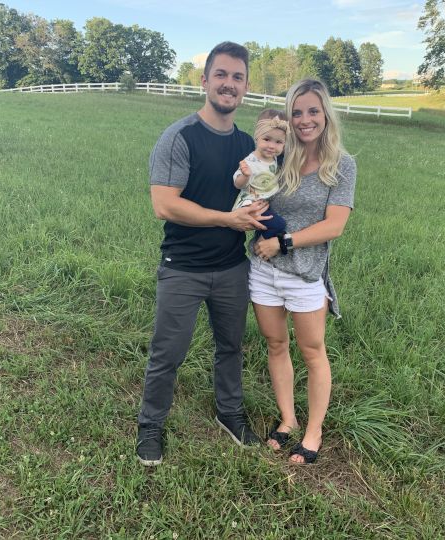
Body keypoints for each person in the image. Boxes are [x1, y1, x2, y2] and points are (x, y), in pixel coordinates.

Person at [136, 42, 270, 466]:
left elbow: (259, 196)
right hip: (183, 268)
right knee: (168, 353)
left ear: (245, 87)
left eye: (237, 77)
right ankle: (150, 425)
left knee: (231, 347)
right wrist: (227, 220)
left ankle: (230, 413)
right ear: (205, 80)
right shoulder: (180, 137)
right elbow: (164, 205)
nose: (229, 84)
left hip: (232, 268)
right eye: (221, 75)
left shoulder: (249, 146)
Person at [250, 79, 357, 464]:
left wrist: (283, 242)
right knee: (276, 344)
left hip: (306, 274)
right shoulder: (280, 155)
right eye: (297, 112)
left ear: (326, 113)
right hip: (264, 270)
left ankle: (314, 431)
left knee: (312, 351)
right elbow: (254, 191)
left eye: (313, 111)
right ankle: (288, 419)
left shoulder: (341, 164)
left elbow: (334, 226)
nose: (305, 120)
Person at [232, 109, 287, 239]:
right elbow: (237, 184)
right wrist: (245, 176)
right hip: (251, 206)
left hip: (263, 203)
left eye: (278, 142)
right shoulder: (251, 161)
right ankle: (262, 242)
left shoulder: (274, 158)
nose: (272, 146)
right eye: (267, 139)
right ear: (257, 137)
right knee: (279, 224)